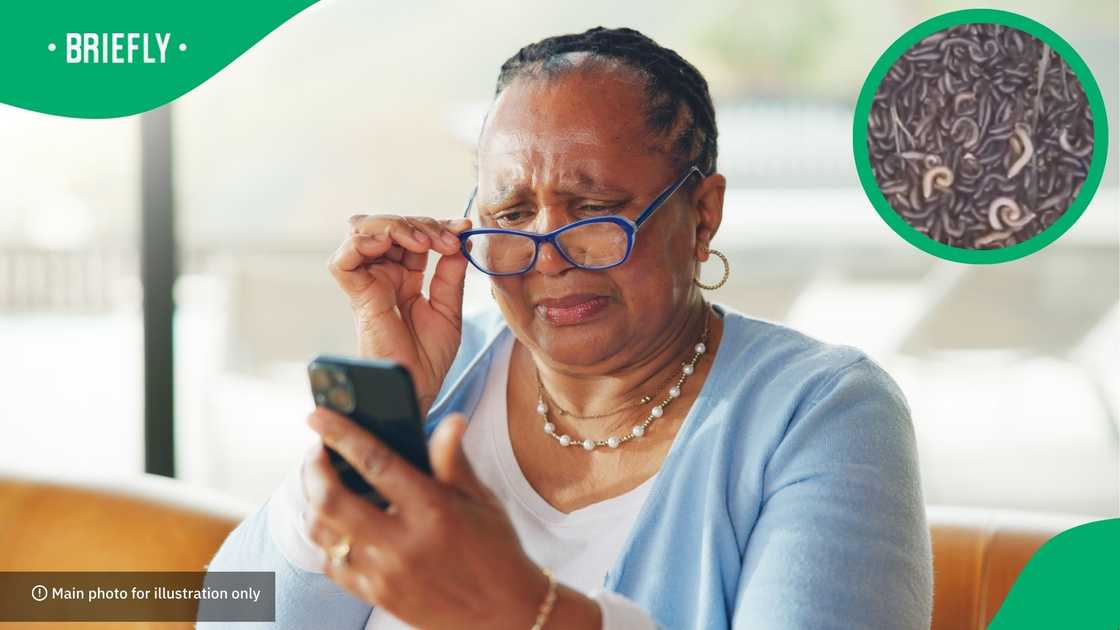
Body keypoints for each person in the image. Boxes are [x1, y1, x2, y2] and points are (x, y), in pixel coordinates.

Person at [202, 26, 933, 629]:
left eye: (595, 209)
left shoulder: (825, 411)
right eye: (513, 215)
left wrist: (524, 611)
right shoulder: (449, 375)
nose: (549, 256)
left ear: (702, 216)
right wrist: (382, 420)